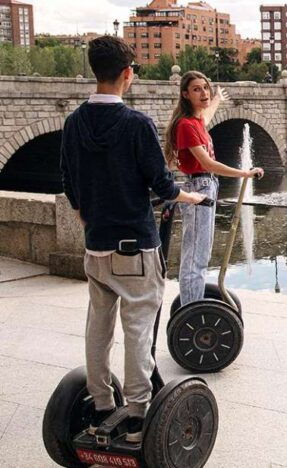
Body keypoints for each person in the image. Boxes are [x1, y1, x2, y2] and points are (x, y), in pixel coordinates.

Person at [59, 36, 207, 443]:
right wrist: (192, 196)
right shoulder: (136, 124)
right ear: (127, 73)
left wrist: (85, 212)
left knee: (98, 327)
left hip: (96, 246)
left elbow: (69, 179)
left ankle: (101, 406)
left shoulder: (74, 122)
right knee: (139, 328)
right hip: (135, 248)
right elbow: (162, 184)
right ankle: (137, 415)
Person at [162, 71, 264, 306]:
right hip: (200, 186)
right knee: (195, 256)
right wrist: (244, 173)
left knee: (201, 253)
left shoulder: (197, 122)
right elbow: (207, 164)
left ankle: (192, 304)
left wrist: (217, 98)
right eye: (197, 89)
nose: (204, 93)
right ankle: (191, 309)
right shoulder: (186, 125)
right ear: (185, 94)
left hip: (206, 185)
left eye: (205, 87)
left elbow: (206, 115)